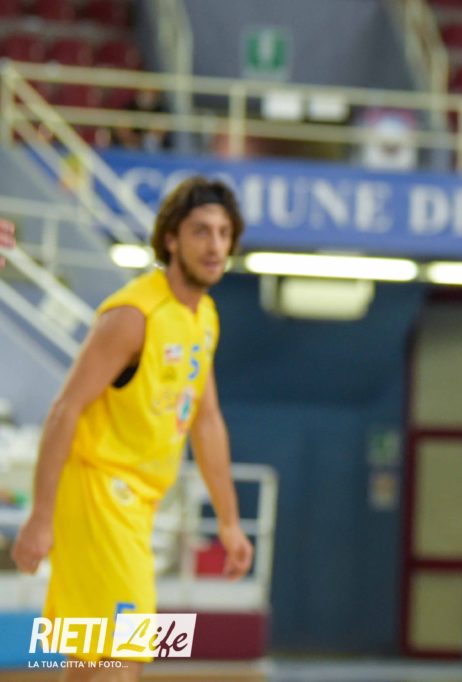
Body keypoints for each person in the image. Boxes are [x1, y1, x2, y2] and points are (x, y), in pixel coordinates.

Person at [11, 177, 252, 680]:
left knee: (91, 661)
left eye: (224, 233)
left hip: (138, 505)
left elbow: (206, 420)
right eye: (201, 231)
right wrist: (41, 517)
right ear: (172, 239)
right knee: (126, 654)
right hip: (99, 492)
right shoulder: (134, 315)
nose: (214, 245)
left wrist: (229, 522)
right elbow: (64, 410)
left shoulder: (203, 316)